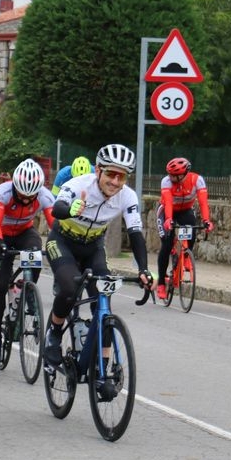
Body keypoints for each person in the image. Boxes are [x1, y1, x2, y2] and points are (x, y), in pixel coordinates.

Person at [43, 144, 153, 368]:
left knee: (103, 299)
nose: (115, 181)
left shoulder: (128, 196)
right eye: (110, 174)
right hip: (63, 241)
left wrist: (143, 269)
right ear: (98, 170)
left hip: (93, 246)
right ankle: (54, 333)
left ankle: (103, 364)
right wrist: (71, 209)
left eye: (120, 176)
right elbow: (57, 209)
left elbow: (135, 233)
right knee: (69, 289)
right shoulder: (78, 184)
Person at [0, 158, 54, 363]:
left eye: (30, 195)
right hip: (1, 234)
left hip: (25, 231)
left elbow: (55, 225)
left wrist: (60, 245)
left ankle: (27, 288)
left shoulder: (44, 195)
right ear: (15, 186)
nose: (26, 199)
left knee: (35, 253)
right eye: (22, 194)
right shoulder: (4, 192)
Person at [156, 157, 214, 300]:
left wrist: (207, 220)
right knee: (167, 243)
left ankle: (186, 256)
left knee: (191, 230)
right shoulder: (166, 182)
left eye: (175, 175)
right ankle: (161, 283)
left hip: (185, 210)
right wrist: (168, 219)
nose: (172, 178)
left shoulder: (197, 180)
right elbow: (168, 202)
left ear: (185, 174)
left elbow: (203, 202)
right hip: (166, 211)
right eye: (170, 174)